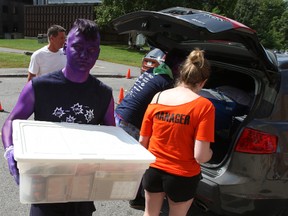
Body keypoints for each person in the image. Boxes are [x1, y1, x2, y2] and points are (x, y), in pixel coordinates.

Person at [2, 18, 115, 216]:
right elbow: (12, 120)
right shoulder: (40, 87)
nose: (84, 55)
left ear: (98, 52)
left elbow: (113, 138)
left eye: (91, 49)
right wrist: (10, 150)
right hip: (44, 188)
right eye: (77, 47)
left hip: (82, 191)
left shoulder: (103, 94)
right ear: (65, 46)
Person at [139, 48, 215, 216]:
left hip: (153, 170)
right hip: (183, 176)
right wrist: (211, 153)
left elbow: (143, 142)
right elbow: (200, 156)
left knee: (149, 214)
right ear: (203, 82)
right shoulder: (204, 106)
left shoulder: (158, 97)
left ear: (181, 74)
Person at [115, 49, 186, 210]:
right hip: (131, 122)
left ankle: (131, 192)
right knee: (142, 162)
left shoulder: (155, 71)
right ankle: (136, 197)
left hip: (121, 114)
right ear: (177, 68)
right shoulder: (166, 83)